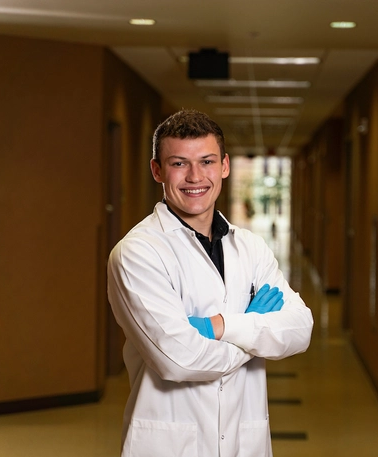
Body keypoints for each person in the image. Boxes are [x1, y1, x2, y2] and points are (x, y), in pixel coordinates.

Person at [107, 109, 314, 457]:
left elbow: (300, 329)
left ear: (225, 166)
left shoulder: (250, 247)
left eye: (206, 161)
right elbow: (179, 361)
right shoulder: (137, 253)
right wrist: (255, 331)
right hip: (170, 444)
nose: (195, 176)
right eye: (179, 163)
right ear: (157, 170)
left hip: (244, 439)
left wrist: (217, 327)